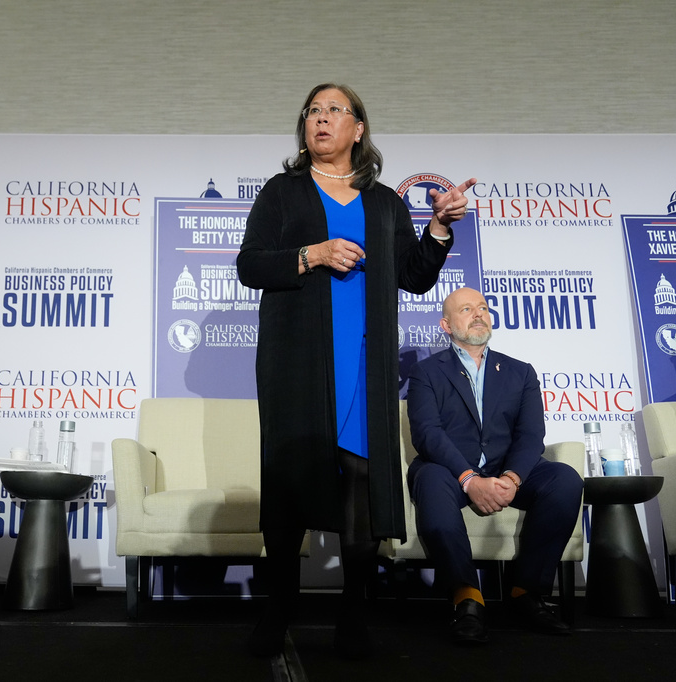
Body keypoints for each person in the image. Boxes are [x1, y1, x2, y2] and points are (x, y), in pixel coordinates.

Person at [236, 82, 476, 659]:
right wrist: (311, 254)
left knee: (363, 487)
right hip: (296, 362)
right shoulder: (282, 192)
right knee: (291, 479)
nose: (320, 120)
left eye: (333, 111)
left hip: (364, 363)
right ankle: (281, 606)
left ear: (358, 128)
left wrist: (439, 227)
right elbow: (249, 264)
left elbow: (416, 275)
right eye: (312, 112)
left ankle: (353, 613)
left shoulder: (385, 202)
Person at [405, 287, 584, 645]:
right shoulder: (426, 372)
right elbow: (428, 434)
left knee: (564, 479)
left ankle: (527, 594)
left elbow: (532, 435)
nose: (478, 314)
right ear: (446, 324)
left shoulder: (520, 372)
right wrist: (470, 479)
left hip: (506, 469)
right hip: (449, 469)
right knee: (431, 482)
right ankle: (467, 599)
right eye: (466, 309)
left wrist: (513, 478)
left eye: (483, 308)